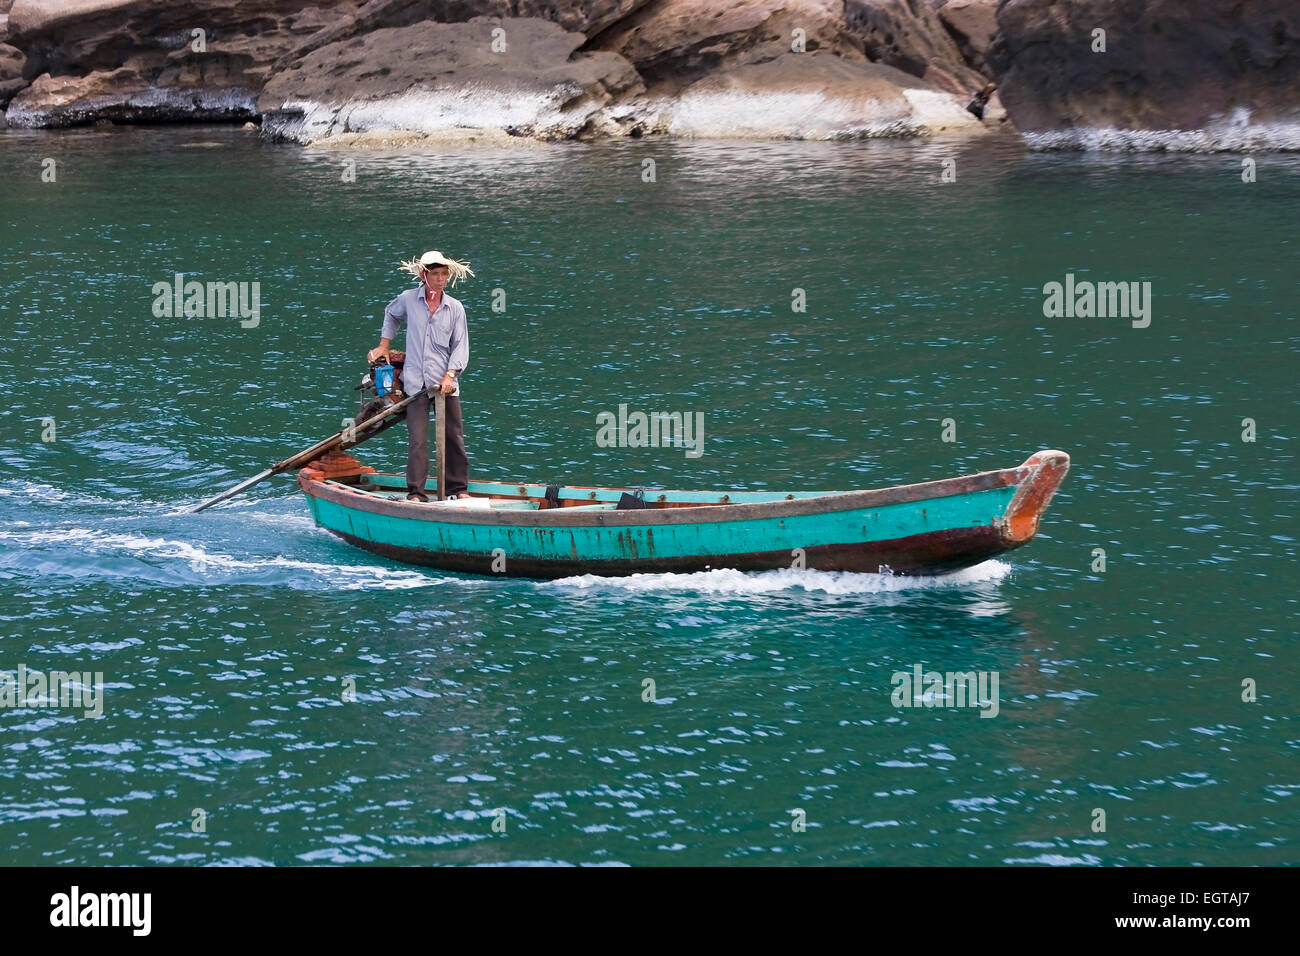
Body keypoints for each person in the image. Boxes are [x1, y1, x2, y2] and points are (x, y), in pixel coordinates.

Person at [367, 250, 474, 502]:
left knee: (453, 437)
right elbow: (391, 314)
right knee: (418, 441)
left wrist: (450, 376)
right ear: (423, 275)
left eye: (444, 274)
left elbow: (461, 346)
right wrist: (384, 345)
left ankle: (458, 489)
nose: (440, 279)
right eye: (435, 274)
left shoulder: (455, 308)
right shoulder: (408, 300)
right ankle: (417, 493)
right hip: (416, 384)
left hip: (445, 384)